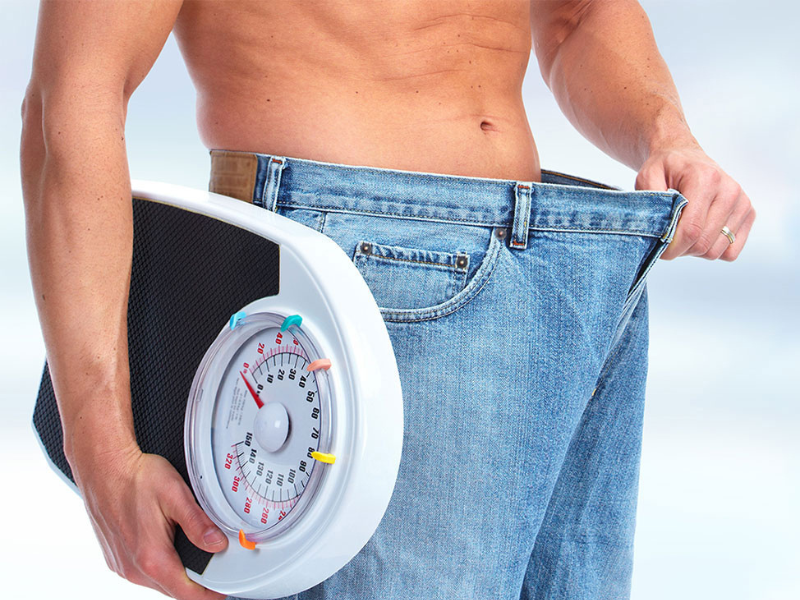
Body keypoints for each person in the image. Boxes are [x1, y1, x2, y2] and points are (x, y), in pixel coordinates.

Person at [20, 1, 755, 599]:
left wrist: (669, 134)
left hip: (582, 259)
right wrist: (101, 449)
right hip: (361, 266)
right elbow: (73, 92)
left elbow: (578, 15)